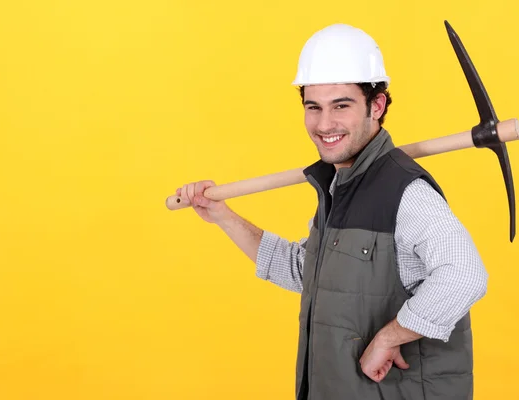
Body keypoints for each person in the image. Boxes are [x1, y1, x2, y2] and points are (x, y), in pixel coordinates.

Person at [175, 23, 487, 400]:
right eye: (313, 107)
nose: (324, 125)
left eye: (341, 105)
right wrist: (221, 215)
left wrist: (390, 337)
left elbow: (465, 275)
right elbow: (304, 272)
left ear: (377, 105)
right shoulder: (340, 189)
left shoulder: (406, 192)